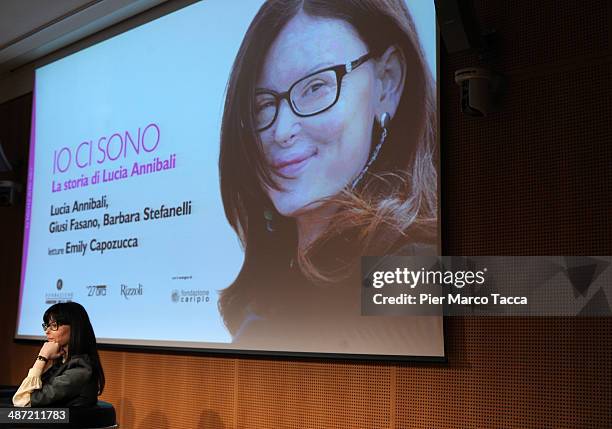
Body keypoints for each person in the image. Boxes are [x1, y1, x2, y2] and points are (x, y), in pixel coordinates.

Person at [218, 0, 440, 353]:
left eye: (315, 87)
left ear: (387, 83)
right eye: (263, 105)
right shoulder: (271, 285)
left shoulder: (412, 273)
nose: (281, 130)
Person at [13, 302, 105, 407]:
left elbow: (22, 401)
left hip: (66, 423)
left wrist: (42, 358)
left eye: (54, 325)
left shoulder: (80, 369)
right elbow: (27, 394)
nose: (47, 331)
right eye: (46, 326)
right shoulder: (63, 362)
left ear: (74, 328)